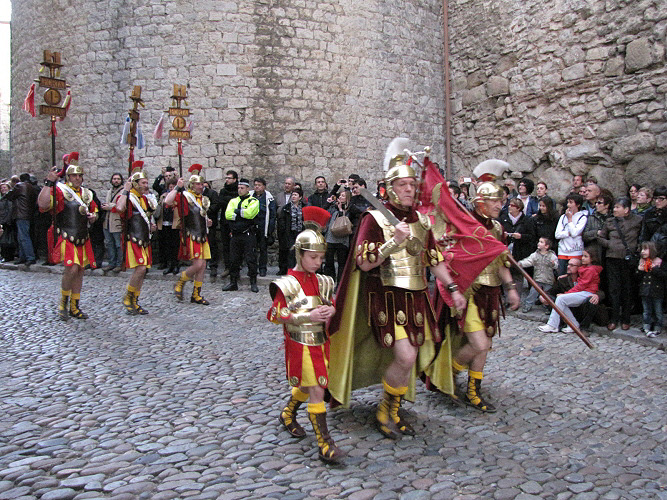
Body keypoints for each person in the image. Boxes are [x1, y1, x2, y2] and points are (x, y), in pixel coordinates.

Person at [327, 140, 466, 439]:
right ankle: (385, 409)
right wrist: (394, 241)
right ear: (390, 188)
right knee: (405, 356)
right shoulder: (374, 218)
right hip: (386, 297)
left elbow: (433, 260)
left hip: (416, 296)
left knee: (410, 356)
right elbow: (364, 263)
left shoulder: (421, 221)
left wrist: (453, 288)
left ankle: (393, 408)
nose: (409, 189)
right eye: (402, 185)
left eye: (412, 185)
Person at [268, 207, 345, 464]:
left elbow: (331, 303)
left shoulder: (323, 281)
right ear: (300, 254)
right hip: (300, 343)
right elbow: (276, 314)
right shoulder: (287, 284)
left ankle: (288, 414)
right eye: (313, 257)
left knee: (308, 385)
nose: (318, 262)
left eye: (321, 258)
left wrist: (331, 309)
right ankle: (325, 443)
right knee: (317, 388)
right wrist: (306, 316)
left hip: (321, 341)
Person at [442, 169, 520, 413]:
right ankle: (449, 372)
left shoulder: (497, 228)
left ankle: (473, 391)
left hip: (492, 292)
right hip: (471, 291)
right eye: (494, 201)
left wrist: (511, 288)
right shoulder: (465, 225)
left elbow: (501, 261)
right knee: (479, 343)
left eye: (500, 201)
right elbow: (450, 255)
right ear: (480, 203)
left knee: (485, 344)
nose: (499, 205)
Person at [37, 153, 98, 320]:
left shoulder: (87, 193)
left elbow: (94, 210)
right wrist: (49, 182)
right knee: (71, 269)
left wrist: (93, 217)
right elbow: (43, 204)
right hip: (67, 236)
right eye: (74, 175)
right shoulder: (60, 190)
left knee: (79, 270)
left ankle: (74, 306)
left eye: (80, 175)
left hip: (82, 237)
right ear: (68, 176)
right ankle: (63, 304)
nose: (77, 178)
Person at [165, 164, 212, 305]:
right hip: (192, 234)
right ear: (192, 184)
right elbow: (167, 201)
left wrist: (207, 221)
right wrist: (177, 187)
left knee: (202, 265)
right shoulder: (184, 196)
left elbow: (199, 215)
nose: (201, 186)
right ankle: (180, 281)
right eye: (198, 184)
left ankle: (196, 294)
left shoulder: (202, 199)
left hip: (202, 235)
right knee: (198, 264)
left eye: (202, 184)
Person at [114, 161, 157, 315]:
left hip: (144, 239)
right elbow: (119, 208)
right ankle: (128, 297)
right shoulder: (129, 197)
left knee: (143, 271)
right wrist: (125, 190)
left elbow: (145, 217)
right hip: (133, 238)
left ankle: (135, 301)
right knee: (140, 269)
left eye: (146, 182)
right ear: (135, 184)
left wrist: (151, 226)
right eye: (143, 183)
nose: (146, 185)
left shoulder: (143, 199)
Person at [597, 197, 642, 331]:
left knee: (627, 289)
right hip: (612, 258)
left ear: (626, 209)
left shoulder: (638, 220)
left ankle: (626, 318)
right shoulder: (610, 222)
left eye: (618, 207)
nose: (615, 210)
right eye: (614, 207)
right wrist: (610, 244)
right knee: (614, 289)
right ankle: (614, 318)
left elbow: (642, 237)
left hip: (628, 259)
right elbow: (600, 237)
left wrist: (636, 250)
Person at [538, 248, 603, 333]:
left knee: (561, 299)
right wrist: (566, 275)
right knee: (561, 301)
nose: (583, 258)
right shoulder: (586, 268)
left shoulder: (591, 270)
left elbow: (581, 285)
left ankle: (553, 325)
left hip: (587, 293)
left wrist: (566, 294)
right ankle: (573, 324)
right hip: (584, 292)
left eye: (586, 256)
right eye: (583, 256)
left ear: (592, 259)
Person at [223, 178, 260, 292]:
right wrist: (241, 214)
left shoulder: (254, 201)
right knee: (234, 259)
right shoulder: (233, 201)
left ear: (248, 189)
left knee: (251, 259)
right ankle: (233, 282)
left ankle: (253, 282)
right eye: (238, 188)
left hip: (248, 234)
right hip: (235, 235)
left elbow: (250, 214)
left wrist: (237, 212)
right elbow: (228, 215)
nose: (239, 190)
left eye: (242, 188)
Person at [498, 197, 534, 298]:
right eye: (509, 205)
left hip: (520, 251)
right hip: (506, 250)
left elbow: (531, 236)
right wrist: (503, 235)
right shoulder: (503, 218)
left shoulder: (526, 220)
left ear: (518, 208)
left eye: (512, 205)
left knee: (518, 275)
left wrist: (521, 236)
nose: (509, 207)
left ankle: (517, 297)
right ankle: (507, 297)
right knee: (506, 273)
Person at [518, 236, 558, 312]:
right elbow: (529, 261)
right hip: (537, 278)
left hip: (548, 280)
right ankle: (528, 305)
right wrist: (521, 263)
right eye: (539, 241)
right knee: (532, 293)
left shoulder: (552, 256)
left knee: (547, 295)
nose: (538, 243)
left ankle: (548, 307)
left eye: (541, 242)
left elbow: (556, 265)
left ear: (546, 246)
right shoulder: (535, 255)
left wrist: (553, 264)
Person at [5, 173, 37, 265]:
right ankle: (23, 256)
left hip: (21, 214)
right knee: (22, 236)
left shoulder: (20, 186)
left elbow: (9, 195)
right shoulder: (31, 187)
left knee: (23, 236)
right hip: (28, 214)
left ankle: (29, 257)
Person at [554, 192, 587, 276]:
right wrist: (568, 233)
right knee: (561, 275)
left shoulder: (582, 217)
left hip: (576, 251)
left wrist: (570, 220)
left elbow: (575, 233)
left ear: (578, 205)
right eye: (568, 202)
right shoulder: (563, 217)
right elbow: (557, 234)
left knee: (574, 275)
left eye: (571, 202)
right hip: (563, 251)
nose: (568, 205)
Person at [637, 241, 665, 337]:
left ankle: (657, 326)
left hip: (657, 291)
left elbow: (663, 276)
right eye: (642, 249)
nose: (642, 251)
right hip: (645, 291)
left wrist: (655, 269)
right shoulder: (642, 262)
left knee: (658, 310)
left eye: (645, 249)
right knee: (646, 310)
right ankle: (646, 326)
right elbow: (637, 279)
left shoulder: (659, 262)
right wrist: (639, 271)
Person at [323, 189, 351, 283]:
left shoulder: (349, 208)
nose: (340, 197)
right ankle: (330, 281)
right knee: (328, 262)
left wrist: (340, 210)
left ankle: (340, 283)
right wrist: (329, 203)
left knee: (341, 263)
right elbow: (324, 211)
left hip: (342, 239)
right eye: (340, 196)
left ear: (347, 198)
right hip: (330, 238)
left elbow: (345, 221)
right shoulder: (333, 207)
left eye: (343, 196)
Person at [154, 178, 180, 275]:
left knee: (175, 246)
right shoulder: (163, 196)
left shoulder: (179, 196)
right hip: (164, 223)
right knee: (166, 245)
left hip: (175, 223)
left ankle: (176, 265)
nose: (172, 189)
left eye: (173, 187)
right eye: (170, 187)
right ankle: (169, 265)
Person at [252, 177, 276, 278]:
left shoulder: (269, 198)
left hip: (263, 227)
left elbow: (272, 215)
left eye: (259, 185)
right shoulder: (250, 196)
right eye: (255, 185)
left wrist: (270, 230)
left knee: (263, 249)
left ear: (264, 187)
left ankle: (262, 268)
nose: (257, 187)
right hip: (252, 226)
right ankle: (252, 269)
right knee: (252, 249)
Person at [101, 173, 124, 272]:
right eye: (114, 179)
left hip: (117, 222)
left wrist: (109, 206)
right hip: (107, 222)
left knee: (118, 244)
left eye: (118, 179)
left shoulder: (123, 192)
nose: (116, 181)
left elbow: (121, 205)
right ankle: (111, 263)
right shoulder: (109, 191)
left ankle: (119, 264)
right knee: (109, 244)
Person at [279, 186, 307, 270]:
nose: (293, 197)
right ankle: (291, 271)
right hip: (290, 233)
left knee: (301, 253)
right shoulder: (286, 208)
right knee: (291, 252)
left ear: (300, 197)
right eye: (292, 195)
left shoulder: (304, 207)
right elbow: (282, 221)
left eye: (295, 195)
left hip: (301, 233)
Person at [218, 170, 239, 278]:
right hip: (225, 222)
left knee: (236, 246)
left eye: (229, 178)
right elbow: (221, 202)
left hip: (236, 222)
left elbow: (237, 203)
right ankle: (227, 267)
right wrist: (230, 201)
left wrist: (228, 201)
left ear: (234, 179)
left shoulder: (238, 190)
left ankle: (236, 268)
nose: (227, 180)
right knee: (226, 245)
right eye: (226, 178)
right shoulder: (223, 191)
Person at [276, 176, 296, 275]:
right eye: (286, 183)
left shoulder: (295, 195)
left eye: (289, 184)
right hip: (281, 224)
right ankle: (282, 268)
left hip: (292, 224)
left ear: (293, 186)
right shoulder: (279, 196)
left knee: (291, 248)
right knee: (282, 248)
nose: (287, 185)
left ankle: (290, 268)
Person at [640, 185, 667, 256]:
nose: (657, 201)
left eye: (661, 199)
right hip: (651, 250)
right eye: (655, 198)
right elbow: (644, 235)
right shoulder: (649, 213)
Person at [202, 181, 221, 278]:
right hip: (198, 223)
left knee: (211, 243)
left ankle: (213, 265)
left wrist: (206, 212)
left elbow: (216, 205)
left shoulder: (212, 193)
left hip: (210, 223)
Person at [0, 182, 16, 262]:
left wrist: (8, 220)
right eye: (1, 188)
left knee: (8, 240)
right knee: (4, 240)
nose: (3, 189)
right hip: (3, 220)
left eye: (4, 187)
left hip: (8, 221)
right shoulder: (2, 198)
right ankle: (5, 256)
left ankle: (8, 256)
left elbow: (10, 210)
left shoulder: (10, 198)